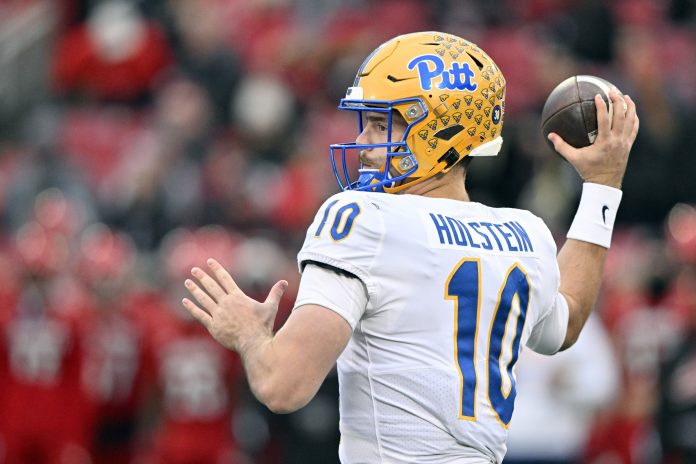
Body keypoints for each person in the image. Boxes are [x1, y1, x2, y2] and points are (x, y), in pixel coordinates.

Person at [182, 31, 639, 463]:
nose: (362, 142)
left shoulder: (364, 219)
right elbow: (568, 320)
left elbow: (284, 386)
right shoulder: (527, 234)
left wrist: (248, 334)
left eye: (381, 125)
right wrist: (602, 186)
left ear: (439, 132)